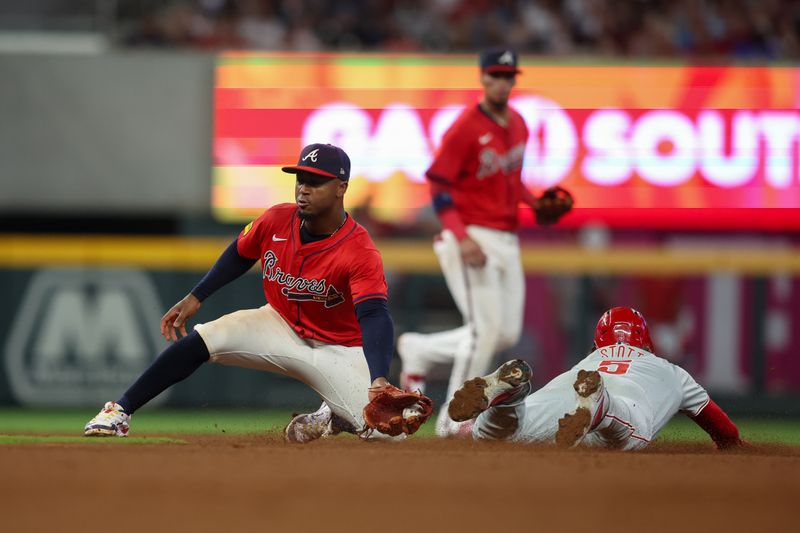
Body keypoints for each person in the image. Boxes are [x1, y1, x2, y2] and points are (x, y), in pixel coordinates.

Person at [84, 143, 404, 443]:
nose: (303, 188)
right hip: (276, 324)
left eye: (316, 182)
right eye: (300, 179)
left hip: (338, 348)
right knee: (203, 339)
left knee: (389, 432)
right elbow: (239, 254)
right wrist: (197, 296)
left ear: (341, 188)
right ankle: (119, 411)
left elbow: (374, 314)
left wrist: (378, 378)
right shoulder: (276, 219)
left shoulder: (359, 250)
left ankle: (333, 415)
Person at [397, 47, 572, 436]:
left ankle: (419, 351)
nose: (502, 82)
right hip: (471, 233)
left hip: (507, 237)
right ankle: (451, 420)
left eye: (508, 76)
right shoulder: (464, 127)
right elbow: (439, 184)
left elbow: (513, 182)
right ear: (483, 78)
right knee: (484, 332)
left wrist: (535, 203)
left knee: (505, 332)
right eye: (495, 75)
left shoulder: (520, 124)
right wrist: (461, 237)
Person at [448, 307, 744, 450]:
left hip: (557, 401)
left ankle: (509, 398)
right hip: (614, 403)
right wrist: (731, 445)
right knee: (621, 431)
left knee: (498, 436)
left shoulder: (590, 359)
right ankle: (601, 405)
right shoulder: (672, 372)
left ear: (598, 342)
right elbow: (725, 432)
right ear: (645, 341)